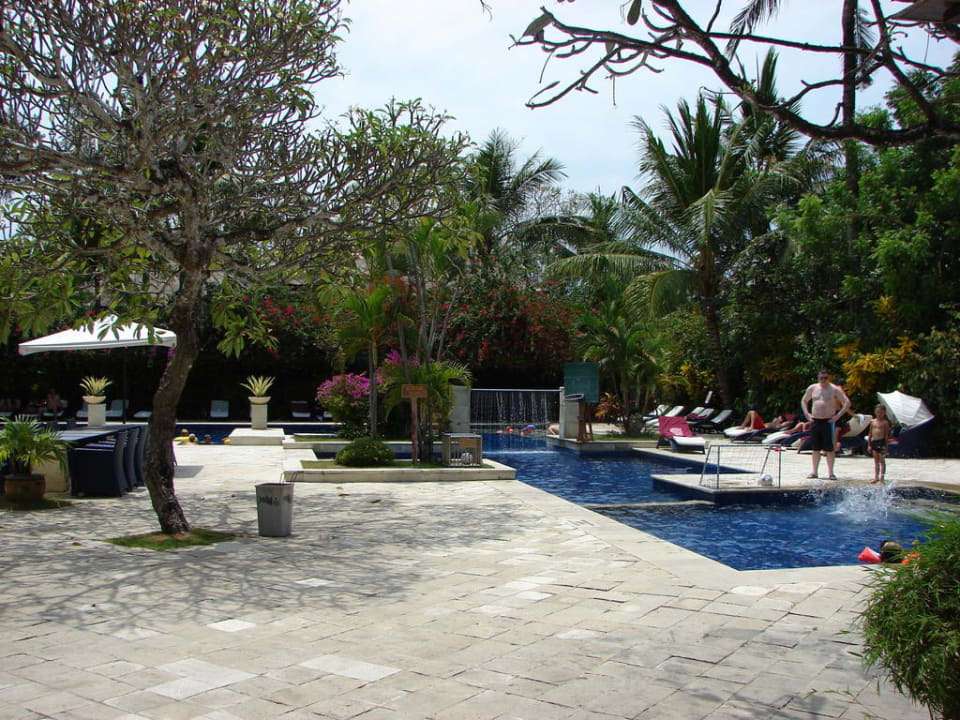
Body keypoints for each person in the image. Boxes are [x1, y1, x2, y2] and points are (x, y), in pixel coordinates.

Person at [801, 369, 850, 480]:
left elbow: (847, 402)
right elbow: (804, 401)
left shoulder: (834, 389)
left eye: (825, 378)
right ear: (818, 378)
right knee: (815, 448)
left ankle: (831, 472)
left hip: (828, 421)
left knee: (829, 448)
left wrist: (837, 416)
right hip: (815, 420)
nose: (823, 380)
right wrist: (807, 414)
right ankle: (814, 472)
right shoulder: (813, 388)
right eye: (821, 378)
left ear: (829, 378)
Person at [868, 404, 891, 484]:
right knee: (876, 461)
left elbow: (886, 435)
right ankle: (876, 477)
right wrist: (869, 445)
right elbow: (870, 434)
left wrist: (886, 447)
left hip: (881, 442)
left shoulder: (885, 423)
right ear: (875, 412)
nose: (879, 414)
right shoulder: (872, 422)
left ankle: (882, 478)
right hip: (874, 442)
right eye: (877, 412)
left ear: (884, 413)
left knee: (882, 461)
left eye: (881, 412)